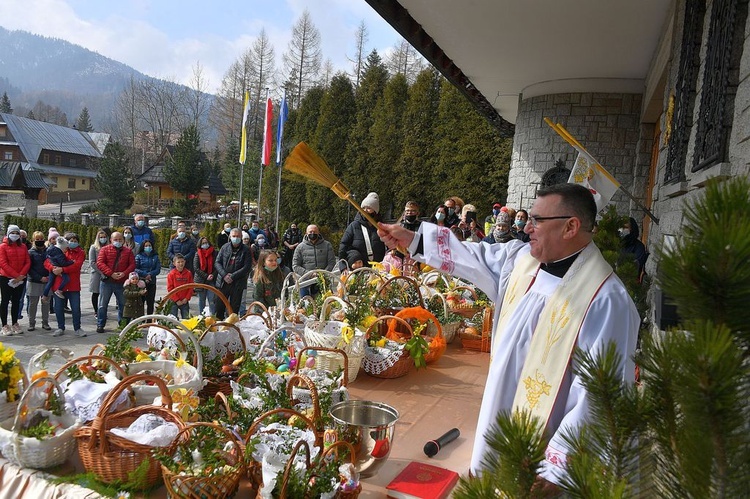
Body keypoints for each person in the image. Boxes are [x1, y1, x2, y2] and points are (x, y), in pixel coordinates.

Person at [377, 183, 640, 487]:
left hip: (545, 462)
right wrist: (414, 239)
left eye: (538, 220)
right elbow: (473, 255)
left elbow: (598, 398)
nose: (527, 227)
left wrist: (556, 471)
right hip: (498, 420)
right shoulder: (521, 261)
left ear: (570, 227)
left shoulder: (606, 300)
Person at [46, 232, 85, 337]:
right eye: (70, 241)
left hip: (73, 285)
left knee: (75, 308)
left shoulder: (80, 252)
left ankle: (77, 328)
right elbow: (47, 262)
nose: (73, 243)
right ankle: (60, 327)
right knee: (58, 308)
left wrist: (62, 269)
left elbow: (76, 266)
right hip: (59, 285)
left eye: (75, 241)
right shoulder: (58, 249)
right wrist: (53, 269)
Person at [96, 231, 136, 333]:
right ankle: (100, 324)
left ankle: (123, 325)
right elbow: (100, 263)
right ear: (111, 240)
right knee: (102, 305)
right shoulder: (104, 249)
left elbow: (132, 264)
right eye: (115, 240)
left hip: (121, 282)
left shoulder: (128, 251)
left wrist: (124, 273)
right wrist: (111, 273)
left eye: (120, 240)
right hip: (107, 281)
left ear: (123, 240)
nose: (118, 241)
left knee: (123, 304)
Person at [214, 228, 253, 320]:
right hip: (223, 283)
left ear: (241, 237)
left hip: (237, 283)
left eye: (238, 236)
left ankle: (231, 330)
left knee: (233, 311)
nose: (236, 238)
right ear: (230, 237)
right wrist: (224, 275)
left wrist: (233, 276)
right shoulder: (224, 247)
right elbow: (217, 262)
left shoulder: (246, 250)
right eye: (234, 236)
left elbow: (247, 267)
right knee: (219, 308)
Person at [339, 192, 386, 268]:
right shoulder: (354, 226)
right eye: (363, 208)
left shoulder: (381, 226)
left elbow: (388, 245)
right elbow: (344, 246)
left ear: (375, 210)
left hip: (379, 268)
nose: (365, 210)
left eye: (369, 208)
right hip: (359, 268)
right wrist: (343, 267)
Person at [0, 224, 30, 335]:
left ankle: (15, 322)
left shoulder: (23, 247)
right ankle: (4, 325)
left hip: (20, 279)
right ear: (8, 234)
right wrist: (15, 275)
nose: (15, 235)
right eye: (12, 233)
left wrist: (21, 275)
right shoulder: (2, 247)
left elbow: (27, 262)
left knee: (16, 301)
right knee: (5, 301)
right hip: (6, 278)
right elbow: (3, 263)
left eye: (17, 233)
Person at [293, 224, 336, 298]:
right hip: (305, 282)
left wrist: (323, 274)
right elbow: (295, 266)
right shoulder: (300, 247)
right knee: (305, 305)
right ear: (306, 233)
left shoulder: (327, 245)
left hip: (323, 280)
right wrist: (310, 274)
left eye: (315, 232)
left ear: (318, 233)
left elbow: (332, 262)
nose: (313, 234)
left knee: (326, 303)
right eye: (310, 232)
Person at [26, 231, 52, 332]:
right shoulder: (30, 252)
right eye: (37, 239)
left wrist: (49, 277)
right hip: (34, 281)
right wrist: (39, 278)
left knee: (46, 303)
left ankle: (45, 322)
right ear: (33, 240)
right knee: (33, 303)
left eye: (41, 239)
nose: (40, 241)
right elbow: (29, 268)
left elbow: (52, 263)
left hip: (47, 281)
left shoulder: (48, 251)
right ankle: (31, 323)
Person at [42, 236, 72, 301]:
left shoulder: (50, 249)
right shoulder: (60, 253)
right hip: (57, 268)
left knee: (50, 282)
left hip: (52, 268)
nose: (66, 250)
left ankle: (44, 295)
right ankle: (59, 290)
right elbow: (63, 263)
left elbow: (47, 260)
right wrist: (71, 262)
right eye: (66, 248)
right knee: (66, 279)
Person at [135, 239, 161, 315]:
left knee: (150, 302)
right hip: (141, 282)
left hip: (152, 282)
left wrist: (150, 274)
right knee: (141, 301)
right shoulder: (138, 256)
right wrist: (144, 274)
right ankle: (141, 319)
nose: (148, 247)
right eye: (146, 246)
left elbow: (158, 269)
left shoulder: (155, 256)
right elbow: (135, 268)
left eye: (149, 245)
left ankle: (149, 319)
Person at [193, 236, 217, 316]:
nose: (205, 244)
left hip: (211, 280)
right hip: (201, 280)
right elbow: (196, 268)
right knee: (201, 300)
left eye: (206, 243)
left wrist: (212, 275)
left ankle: (213, 316)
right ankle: (201, 316)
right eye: (203, 243)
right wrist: (206, 276)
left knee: (211, 300)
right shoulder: (197, 253)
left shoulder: (214, 253)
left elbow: (217, 265)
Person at [88, 229, 109, 314]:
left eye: (104, 237)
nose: (103, 239)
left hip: (107, 273)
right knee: (95, 293)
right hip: (97, 273)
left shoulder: (109, 247)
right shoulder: (93, 247)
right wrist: (101, 272)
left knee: (104, 295)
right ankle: (96, 311)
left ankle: (103, 311)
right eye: (101, 237)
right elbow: (92, 262)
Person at [166, 254, 193, 319]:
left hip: (184, 300)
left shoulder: (188, 273)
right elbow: (170, 288)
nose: (181, 264)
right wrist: (176, 300)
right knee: (173, 319)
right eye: (178, 262)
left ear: (185, 262)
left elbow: (191, 287)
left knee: (186, 319)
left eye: (182, 261)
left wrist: (186, 298)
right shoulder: (171, 274)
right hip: (174, 300)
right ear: (174, 263)